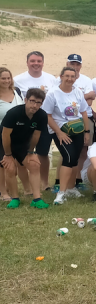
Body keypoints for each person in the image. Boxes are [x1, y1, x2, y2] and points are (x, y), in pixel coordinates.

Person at [45, 67, 91, 205]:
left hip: (77, 130)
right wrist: (59, 132)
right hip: (61, 131)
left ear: (76, 77)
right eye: (67, 76)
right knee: (68, 157)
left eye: (73, 76)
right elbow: (47, 115)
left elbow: (83, 112)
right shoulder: (53, 93)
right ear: (61, 76)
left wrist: (87, 132)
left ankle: (71, 188)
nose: (70, 79)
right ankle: (61, 193)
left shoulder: (77, 92)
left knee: (75, 159)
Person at [14, 51, 57, 191]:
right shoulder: (18, 80)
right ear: (27, 62)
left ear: (43, 63)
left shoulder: (51, 79)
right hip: (25, 122)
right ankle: (27, 187)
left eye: (39, 61)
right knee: (22, 153)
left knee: (43, 153)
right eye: (32, 61)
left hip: (44, 121)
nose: (36, 64)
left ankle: (45, 184)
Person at [1, 88, 48, 209]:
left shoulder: (42, 115)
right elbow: (5, 135)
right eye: (32, 101)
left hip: (23, 144)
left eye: (38, 103)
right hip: (5, 143)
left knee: (34, 165)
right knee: (10, 168)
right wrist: (8, 155)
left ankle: (37, 199)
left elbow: (36, 135)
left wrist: (31, 152)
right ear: (25, 100)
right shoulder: (14, 113)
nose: (35, 105)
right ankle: (15, 199)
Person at [62, 54, 96, 190]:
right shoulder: (59, 79)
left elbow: (90, 100)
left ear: (80, 65)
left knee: (84, 149)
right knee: (66, 150)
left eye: (77, 64)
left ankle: (78, 179)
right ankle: (61, 181)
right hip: (66, 120)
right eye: (72, 64)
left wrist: (75, 100)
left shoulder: (86, 80)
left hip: (85, 118)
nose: (75, 66)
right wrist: (81, 98)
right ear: (67, 64)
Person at [0, 68, 26, 201]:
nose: (6, 81)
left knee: (16, 163)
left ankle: (12, 189)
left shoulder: (16, 91)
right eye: (3, 78)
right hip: (2, 132)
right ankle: (3, 192)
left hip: (17, 132)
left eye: (8, 78)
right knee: (3, 163)